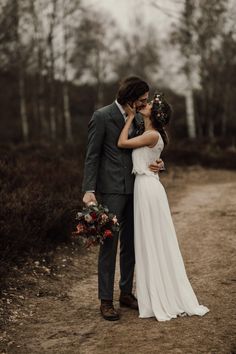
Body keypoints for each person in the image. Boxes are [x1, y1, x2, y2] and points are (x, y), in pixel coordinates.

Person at [118, 93, 210, 321]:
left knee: (151, 239)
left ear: (154, 114)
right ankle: (153, 291)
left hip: (148, 189)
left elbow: (121, 143)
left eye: (148, 104)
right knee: (152, 239)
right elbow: (149, 155)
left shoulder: (150, 134)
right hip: (148, 187)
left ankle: (158, 294)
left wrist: (129, 117)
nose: (144, 105)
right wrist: (159, 162)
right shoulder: (151, 134)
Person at [82, 77, 164, 321]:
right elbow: (92, 156)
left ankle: (126, 293)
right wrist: (88, 189)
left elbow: (149, 146)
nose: (145, 103)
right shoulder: (102, 116)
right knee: (110, 244)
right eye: (142, 100)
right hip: (112, 191)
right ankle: (105, 300)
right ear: (130, 99)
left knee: (132, 243)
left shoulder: (139, 118)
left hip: (138, 188)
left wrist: (160, 163)